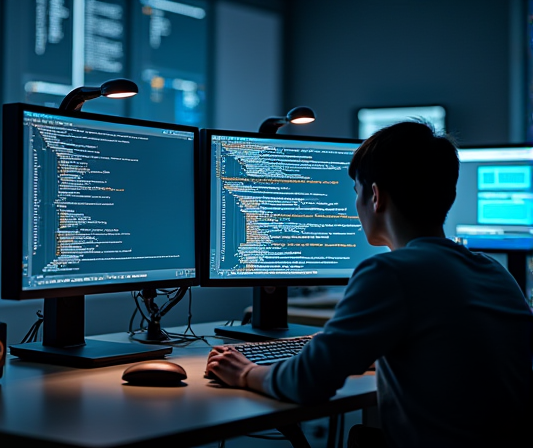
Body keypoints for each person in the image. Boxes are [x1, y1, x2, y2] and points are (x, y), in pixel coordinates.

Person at [206, 121, 533, 447]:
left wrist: (244, 372)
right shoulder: (494, 272)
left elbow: (306, 382)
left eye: (356, 192)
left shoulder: (390, 272)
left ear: (375, 196)